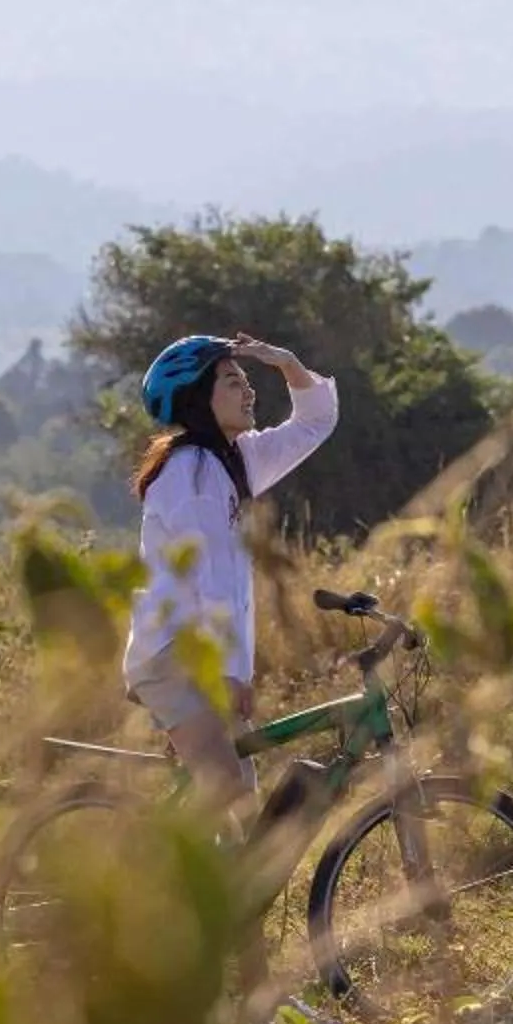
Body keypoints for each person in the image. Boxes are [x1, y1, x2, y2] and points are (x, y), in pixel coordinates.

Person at [120, 332, 339, 796]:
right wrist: (228, 672)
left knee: (241, 805)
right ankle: (145, 868)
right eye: (232, 381)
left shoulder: (233, 459)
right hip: (174, 659)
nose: (248, 390)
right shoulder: (190, 473)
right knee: (228, 790)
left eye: (245, 379)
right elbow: (210, 578)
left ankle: (200, 865)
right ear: (199, 398)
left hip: (203, 660)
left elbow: (315, 422)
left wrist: (287, 362)